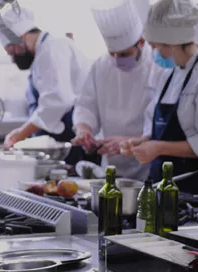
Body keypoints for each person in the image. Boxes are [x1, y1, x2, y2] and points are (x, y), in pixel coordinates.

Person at [121, 0, 198, 198]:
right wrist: (140, 142)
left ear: (173, 44)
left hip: (194, 190)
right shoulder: (169, 75)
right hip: (162, 185)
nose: (155, 52)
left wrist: (158, 148)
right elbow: (158, 128)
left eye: (157, 46)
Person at [72, 0, 164, 180]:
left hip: (147, 167)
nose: (116, 60)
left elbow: (160, 125)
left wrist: (128, 140)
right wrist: (84, 131)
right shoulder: (100, 66)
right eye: (111, 53)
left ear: (141, 42)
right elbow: (86, 105)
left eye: (123, 54)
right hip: (110, 165)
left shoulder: (158, 68)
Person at [0, 7, 92, 165]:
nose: (11, 56)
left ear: (21, 37)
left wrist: (20, 133)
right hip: (58, 135)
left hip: (69, 136)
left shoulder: (53, 48)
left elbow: (57, 102)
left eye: (10, 49)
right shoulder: (42, 52)